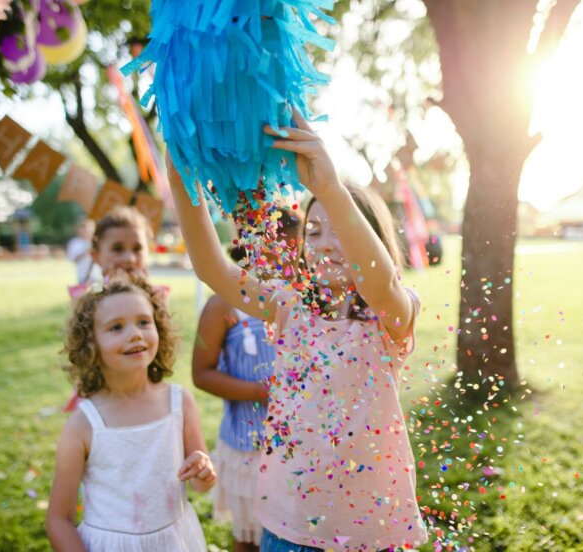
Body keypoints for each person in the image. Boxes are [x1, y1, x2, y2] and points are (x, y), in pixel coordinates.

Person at [168, 111, 428, 551]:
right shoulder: (288, 308)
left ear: (374, 240)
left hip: (370, 526)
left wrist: (328, 187)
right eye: (314, 230)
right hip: (288, 523)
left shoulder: (392, 317)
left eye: (340, 231)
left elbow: (379, 283)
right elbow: (212, 268)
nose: (325, 243)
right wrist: (180, 171)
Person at [46, 274, 215, 552]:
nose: (135, 333)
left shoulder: (179, 402)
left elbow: (199, 484)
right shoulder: (84, 425)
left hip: (175, 541)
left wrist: (204, 470)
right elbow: (59, 519)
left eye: (143, 322)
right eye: (116, 327)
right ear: (91, 345)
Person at [192, 208, 301, 552]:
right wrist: (260, 391)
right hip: (248, 445)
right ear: (248, 243)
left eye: (292, 245)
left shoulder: (301, 299)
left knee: (296, 534)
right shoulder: (222, 305)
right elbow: (201, 373)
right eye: (274, 242)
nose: (284, 253)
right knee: (250, 538)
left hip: (299, 445)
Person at [65, 206, 155, 411]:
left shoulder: (155, 297)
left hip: (146, 392)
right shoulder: (90, 301)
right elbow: (83, 355)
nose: (129, 258)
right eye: (117, 249)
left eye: (137, 248)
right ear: (95, 255)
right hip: (106, 394)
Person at [66, 219, 100, 285]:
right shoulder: (74, 243)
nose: (86, 230)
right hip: (83, 278)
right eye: (83, 227)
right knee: (86, 295)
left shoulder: (97, 241)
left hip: (97, 277)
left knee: (98, 294)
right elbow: (74, 259)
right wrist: (87, 250)